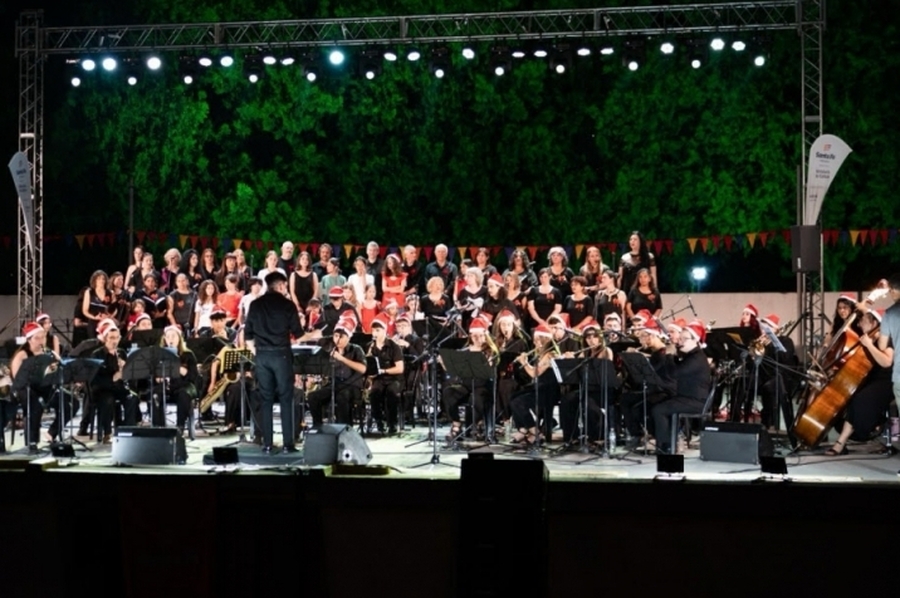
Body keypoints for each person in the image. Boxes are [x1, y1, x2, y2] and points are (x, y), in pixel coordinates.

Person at [243, 270, 304, 453]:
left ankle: (267, 444)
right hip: (281, 355)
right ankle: (288, 444)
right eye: (284, 285)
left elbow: (247, 335)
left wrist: (258, 353)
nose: (286, 289)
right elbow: (298, 334)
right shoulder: (287, 305)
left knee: (266, 399)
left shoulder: (255, 304)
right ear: (279, 285)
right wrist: (316, 334)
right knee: (286, 399)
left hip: (262, 356)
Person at [827, 308, 894, 455]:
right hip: (869, 379)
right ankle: (846, 439)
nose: (859, 323)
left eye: (863, 320)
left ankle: (842, 441)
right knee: (848, 397)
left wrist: (869, 345)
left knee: (860, 399)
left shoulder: (886, 339)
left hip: (885, 381)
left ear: (874, 322)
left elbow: (887, 362)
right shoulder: (866, 338)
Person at [649, 320, 711, 454]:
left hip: (696, 401)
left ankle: (665, 447)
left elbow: (674, 373)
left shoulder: (697, 359)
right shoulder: (691, 356)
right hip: (686, 397)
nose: (680, 341)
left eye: (684, 339)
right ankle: (667, 442)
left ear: (695, 340)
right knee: (656, 404)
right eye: (680, 338)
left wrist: (670, 355)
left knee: (659, 410)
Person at [9, 322, 66, 451]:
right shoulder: (22, 355)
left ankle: (52, 432)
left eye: (43, 337)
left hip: (43, 388)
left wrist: (54, 370)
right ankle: (32, 441)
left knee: (69, 402)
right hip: (24, 390)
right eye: (37, 338)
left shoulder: (48, 354)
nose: (41, 341)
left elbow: (59, 371)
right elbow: (18, 381)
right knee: (35, 403)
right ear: (29, 339)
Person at [620, 318, 676, 447]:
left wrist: (639, 358)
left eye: (643, 337)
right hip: (655, 390)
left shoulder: (665, 353)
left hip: (665, 392)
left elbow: (656, 374)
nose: (640, 340)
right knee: (625, 399)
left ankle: (657, 437)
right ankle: (636, 434)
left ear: (652, 336)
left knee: (639, 407)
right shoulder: (655, 353)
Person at [441, 316, 496, 442]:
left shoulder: (490, 351)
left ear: (484, 336)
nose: (477, 338)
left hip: (482, 385)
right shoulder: (464, 351)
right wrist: (444, 363)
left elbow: (488, 372)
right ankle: (456, 424)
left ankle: (477, 425)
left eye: (480, 335)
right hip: (466, 384)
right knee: (449, 392)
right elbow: (454, 371)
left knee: (475, 398)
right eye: (474, 335)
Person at [307, 317, 367, 427]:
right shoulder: (330, 349)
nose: (338, 339)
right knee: (313, 397)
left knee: (342, 396)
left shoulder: (356, 349)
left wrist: (342, 359)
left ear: (348, 337)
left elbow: (363, 369)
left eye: (341, 336)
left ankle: (345, 429)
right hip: (334, 384)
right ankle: (318, 427)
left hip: (351, 386)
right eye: (335, 336)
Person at [89, 319, 139, 444]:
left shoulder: (121, 352)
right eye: (111, 338)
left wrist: (126, 369)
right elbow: (94, 379)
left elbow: (130, 375)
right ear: (105, 338)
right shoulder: (97, 354)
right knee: (108, 400)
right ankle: (107, 433)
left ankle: (128, 430)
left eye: (117, 338)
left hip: (119, 388)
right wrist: (113, 378)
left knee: (131, 398)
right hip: (103, 389)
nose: (114, 341)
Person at [154, 325, 200, 434]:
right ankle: (158, 428)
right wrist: (159, 378)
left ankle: (180, 426)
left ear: (179, 338)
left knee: (183, 395)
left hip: (184, 386)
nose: (170, 339)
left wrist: (183, 371)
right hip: (166, 386)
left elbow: (194, 376)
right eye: (168, 336)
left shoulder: (188, 354)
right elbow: (153, 376)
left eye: (173, 336)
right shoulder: (159, 355)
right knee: (155, 395)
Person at [367, 314, 405, 435]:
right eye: (373, 330)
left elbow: (400, 368)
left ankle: (392, 423)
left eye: (378, 330)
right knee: (374, 394)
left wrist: (384, 371)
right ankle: (379, 421)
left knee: (391, 393)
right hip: (378, 379)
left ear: (384, 331)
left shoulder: (394, 347)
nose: (375, 333)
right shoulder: (371, 347)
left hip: (393, 378)